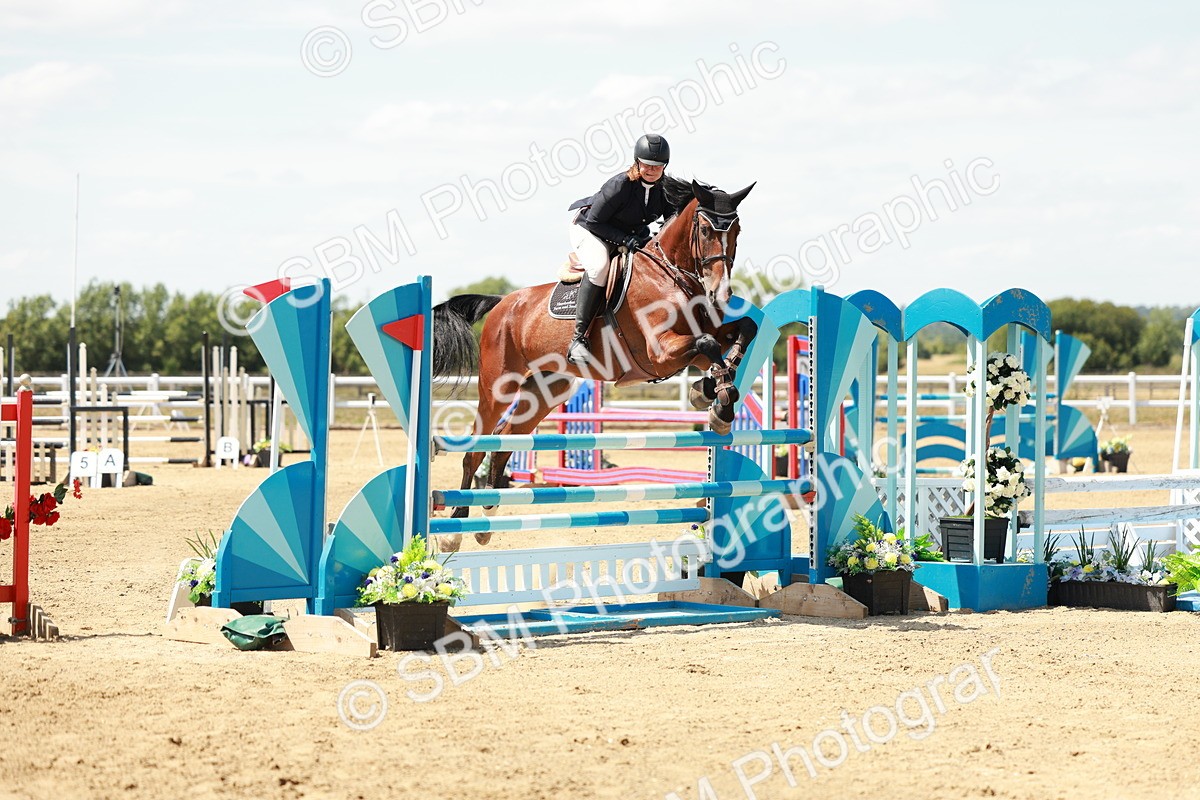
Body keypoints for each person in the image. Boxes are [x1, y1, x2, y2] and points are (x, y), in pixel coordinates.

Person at [565, 134, 670, 365]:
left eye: (658, 166)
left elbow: (671, 219)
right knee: (600, 267)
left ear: (665, 166)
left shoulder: (665, 189)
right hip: (589, 228)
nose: (651, 170)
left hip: (627, 233)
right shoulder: (620, 184)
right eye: (647, 164)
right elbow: (594, 221)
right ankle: (578, 340)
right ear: (637, 162)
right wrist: (624, 239)